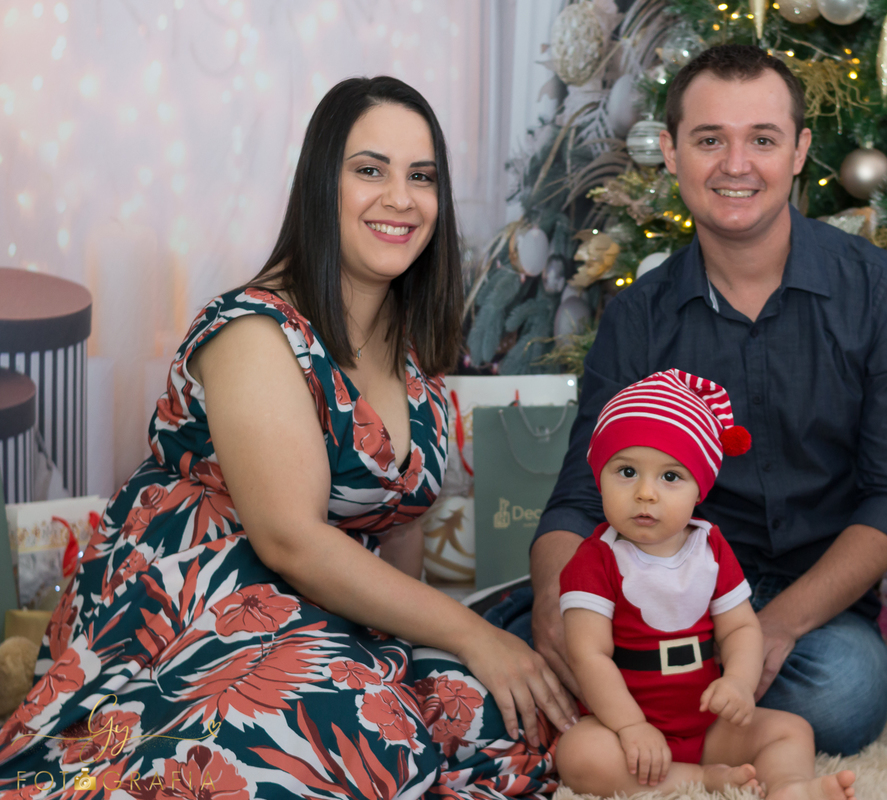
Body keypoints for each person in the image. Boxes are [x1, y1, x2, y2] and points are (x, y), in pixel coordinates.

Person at [0, 76, 575, 800]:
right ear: (319, 187)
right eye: (370, 170)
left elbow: (398, 540)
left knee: (491, 710)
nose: (401, 197)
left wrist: (434, 659)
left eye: (421, 177)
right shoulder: (254, 329)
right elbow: (289, 542)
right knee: (350, 728)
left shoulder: (411, 353)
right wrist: (472, 632)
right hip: (196, 607)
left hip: (330, 614)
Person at [511, 44, 887, 757]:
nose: (736, 166)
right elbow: (581, 498)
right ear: (672, 153)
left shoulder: (882, 294)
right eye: (710, 140)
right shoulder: (638, 315)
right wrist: (555, 604)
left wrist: (775, 628)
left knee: (846, 692)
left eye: (762, 140)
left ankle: (658, 710)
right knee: (515, 655)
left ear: (800, 151)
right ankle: (678, 706)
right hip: (657, 590)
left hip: (812, 603)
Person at [554, 369, 856, 800]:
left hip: (707, 723)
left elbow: (740, 629)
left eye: (670, 477)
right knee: (580, 754)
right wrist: (631, 726)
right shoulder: (594, 559)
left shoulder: (710, 546)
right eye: (625, 471)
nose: (645, 493)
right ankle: (697, 781)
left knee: (791, 730)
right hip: (628, 732)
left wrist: (738, 682)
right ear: (598, 474)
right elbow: (589, 656)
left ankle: (790, 787)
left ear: (700, 487)